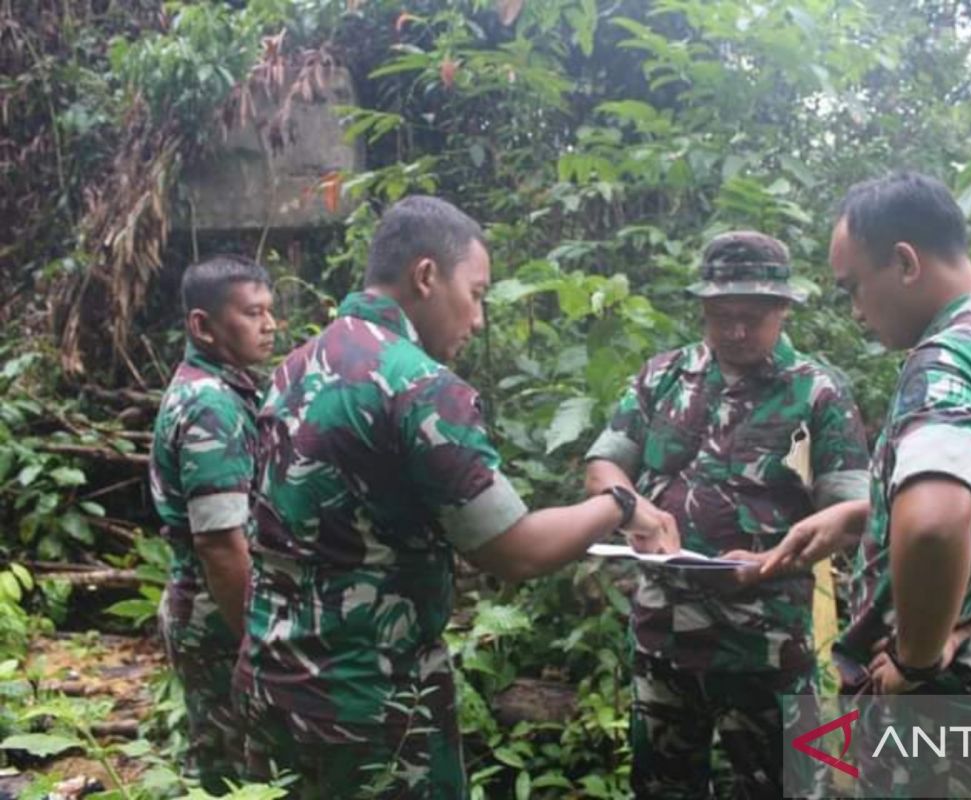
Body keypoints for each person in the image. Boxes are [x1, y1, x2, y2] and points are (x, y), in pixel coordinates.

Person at [234, 195, 677, 799]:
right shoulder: (418, 385)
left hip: (270, 682)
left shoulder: (294, 366)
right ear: (425, 277)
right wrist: (621, 505)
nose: (477, 320)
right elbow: (514, 552)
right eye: (476, 294)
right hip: (371, 703)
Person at [761, 171, 971, 701]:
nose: (857, 311)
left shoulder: (946, 364)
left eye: (853, 287)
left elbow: (933, 526)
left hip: (944, 704)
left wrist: (917, 657)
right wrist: (865, 514)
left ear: (906, 262)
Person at [583, 231, 871, 799]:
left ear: (784, 309)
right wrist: (636, 510)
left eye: (753, 316)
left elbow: (854, 512)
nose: (736, 331)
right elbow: (602, 466)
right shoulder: (663, 377)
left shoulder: (817, 395)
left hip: (764, 649)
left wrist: (769, 561)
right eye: (721, 316)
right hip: (662, 641)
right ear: (702, 308)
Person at [149, 254, 276, 791]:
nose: (270, 325)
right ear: (203, 326)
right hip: (218, 617)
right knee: (232, 773)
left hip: (213, 611)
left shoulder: (224, 390)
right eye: (252, 313)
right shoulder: (209, 407)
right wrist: (257, 641)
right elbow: (221, 544)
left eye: (271, 311)